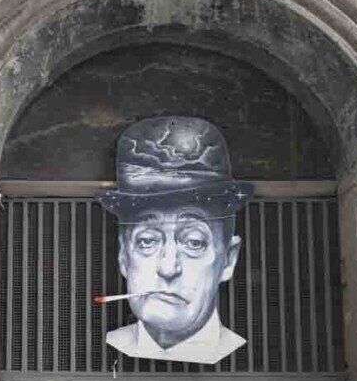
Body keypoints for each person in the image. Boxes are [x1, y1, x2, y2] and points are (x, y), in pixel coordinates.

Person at [100, 116, 254, 365]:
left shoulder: (252, 359)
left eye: (193, 242)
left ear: (228, 259)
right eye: (147, 241)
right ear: (123, 256)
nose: (168, 268)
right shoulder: (102, 353)